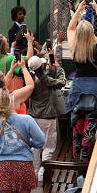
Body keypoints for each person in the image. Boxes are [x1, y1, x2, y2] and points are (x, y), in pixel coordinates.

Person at [66, 0, 97, 163]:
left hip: (78, 88)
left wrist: (78, 10)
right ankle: (87, 155)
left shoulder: (73, 46)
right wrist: (96, 7)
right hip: (96, 89)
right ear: (92, 33)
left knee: (78, 122)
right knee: (91, 122)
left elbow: (70, 28)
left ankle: (77, 156)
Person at [26, 55, 66, 183]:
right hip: (48, 117)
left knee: (35, 147)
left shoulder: (29, 79)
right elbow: (62, 82)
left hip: (33, 117)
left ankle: (34, 173)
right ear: (41, 66)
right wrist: (59, 69)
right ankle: (43, 173)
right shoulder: (46, 80)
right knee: (48, 146)